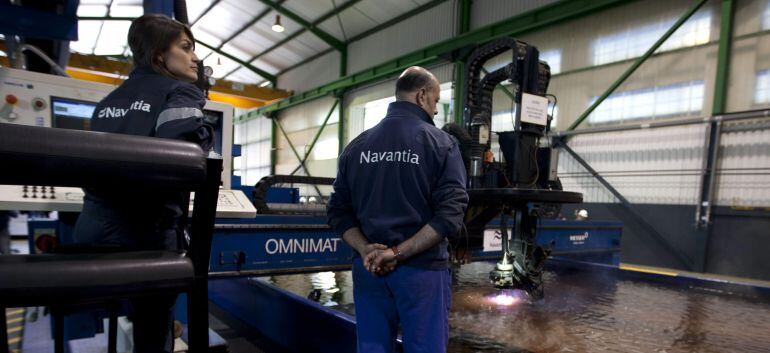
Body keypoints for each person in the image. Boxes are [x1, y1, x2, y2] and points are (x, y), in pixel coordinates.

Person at [72, 14, 214, 353]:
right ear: (158, 55)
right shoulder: (180, 91)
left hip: (92, 231)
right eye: (186, 48)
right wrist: (200, 107)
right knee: (152, 330)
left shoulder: (108, 104)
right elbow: (182, 147)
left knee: (130, 313)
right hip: (146, 234)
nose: (195, 57)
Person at [327, 66, 469, 353]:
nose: (437, 110)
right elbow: (450, 215)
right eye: (436, 100)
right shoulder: (441, 144)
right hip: (421, 272)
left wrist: (368, 250)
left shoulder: (356, 147)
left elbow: (337, 211)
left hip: (369, 269)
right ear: (421, 96)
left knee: (373, 348)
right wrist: (397, 253)